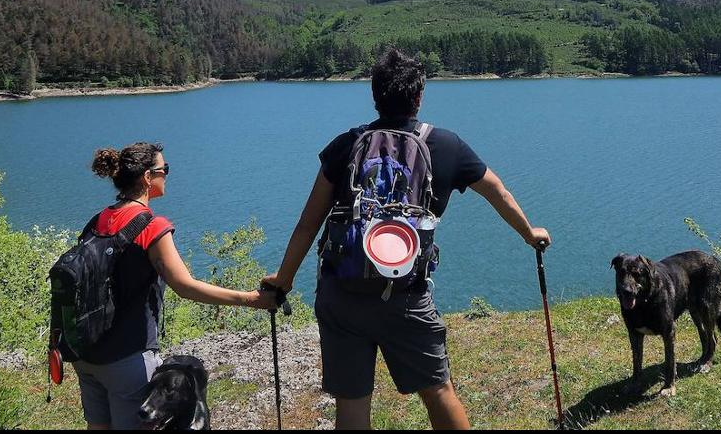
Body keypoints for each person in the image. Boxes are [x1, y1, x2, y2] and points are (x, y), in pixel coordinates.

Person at [262, 48, 551, 430]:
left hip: (342, 292)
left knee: (351, 404)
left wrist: (282, 280)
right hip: (406, 295)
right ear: (419, 96)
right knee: (437, 390)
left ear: (375, 95)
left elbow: (307, 224)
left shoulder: (346, 145)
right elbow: (496, 190)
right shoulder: (445, 145)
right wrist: (530, 234)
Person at [76, 142, 274, 430]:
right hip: (125, 358)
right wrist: (251, 299)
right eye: (163, 169)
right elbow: (185, 286)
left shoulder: (99, 220)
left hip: (86, 352)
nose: (167, 175)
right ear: (147, 177)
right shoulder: (151, 226)